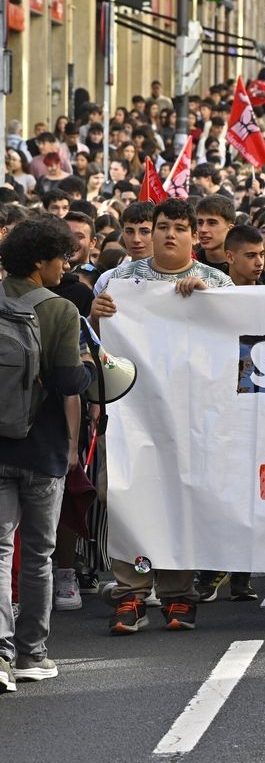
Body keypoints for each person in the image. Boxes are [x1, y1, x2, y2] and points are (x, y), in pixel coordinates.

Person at [89, 199, 234, 634]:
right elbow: (96, 346)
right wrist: (96, 316)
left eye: (180, 227)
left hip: (192, 415)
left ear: (194, 236)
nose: (170, 234)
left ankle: (177, 594)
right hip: (131, 411)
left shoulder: (217, 282)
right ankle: (130, 593)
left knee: (180, 495)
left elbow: (236, 344)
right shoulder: (118, 281)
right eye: (163, 226)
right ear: (151, 232)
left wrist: (210, 304)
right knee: (125, 494)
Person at [0, 215, 96, 690]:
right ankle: (30, 654)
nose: (66, 266)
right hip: (43, 448)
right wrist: (88, 367)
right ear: (40, 262)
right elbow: (68, 381)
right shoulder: (61, 310)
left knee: (0, 550)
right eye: (61, 258)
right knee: (39, 553)